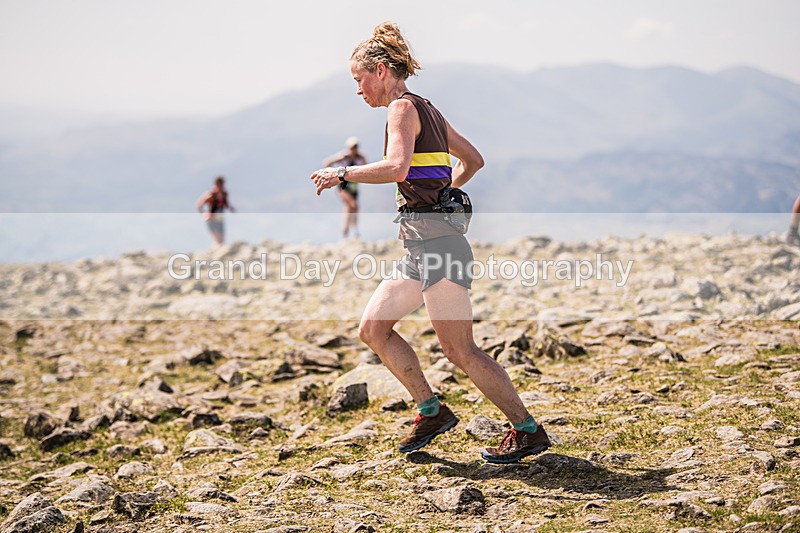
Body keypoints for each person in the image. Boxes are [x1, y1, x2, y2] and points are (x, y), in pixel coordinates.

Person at [310, 22, 550, 463]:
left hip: (438, 248)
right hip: (421, 248)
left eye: (359, 80)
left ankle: (527, 430)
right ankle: (431, 409)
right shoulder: (430, 110)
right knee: (373, 329)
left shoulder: (402, 109)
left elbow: (397, 167)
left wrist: (342, 173)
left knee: (460, 350)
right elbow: (474, 160)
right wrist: (443, 196)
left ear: (381, 70)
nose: (358, 89)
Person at [323, 137, 367, 238]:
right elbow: (327, 162)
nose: (353, 149)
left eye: (355, 147)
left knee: (350, 208)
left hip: (354, 188)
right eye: (352, 147)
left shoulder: (359, 158)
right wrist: (336, 164)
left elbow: (366, 168)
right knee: (353, 205)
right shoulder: (343, 157)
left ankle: (347, 232)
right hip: (343, 187)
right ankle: (353, 232)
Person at [196, 176, 235, 247]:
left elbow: (226, 204)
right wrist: (204, 213)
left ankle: (219, 250)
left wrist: (231, 208)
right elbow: (199, 204)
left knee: (222, 238)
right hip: (212, 217)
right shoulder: (211, 194)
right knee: (217, 237)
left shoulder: (224, 194)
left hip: (220, 216)